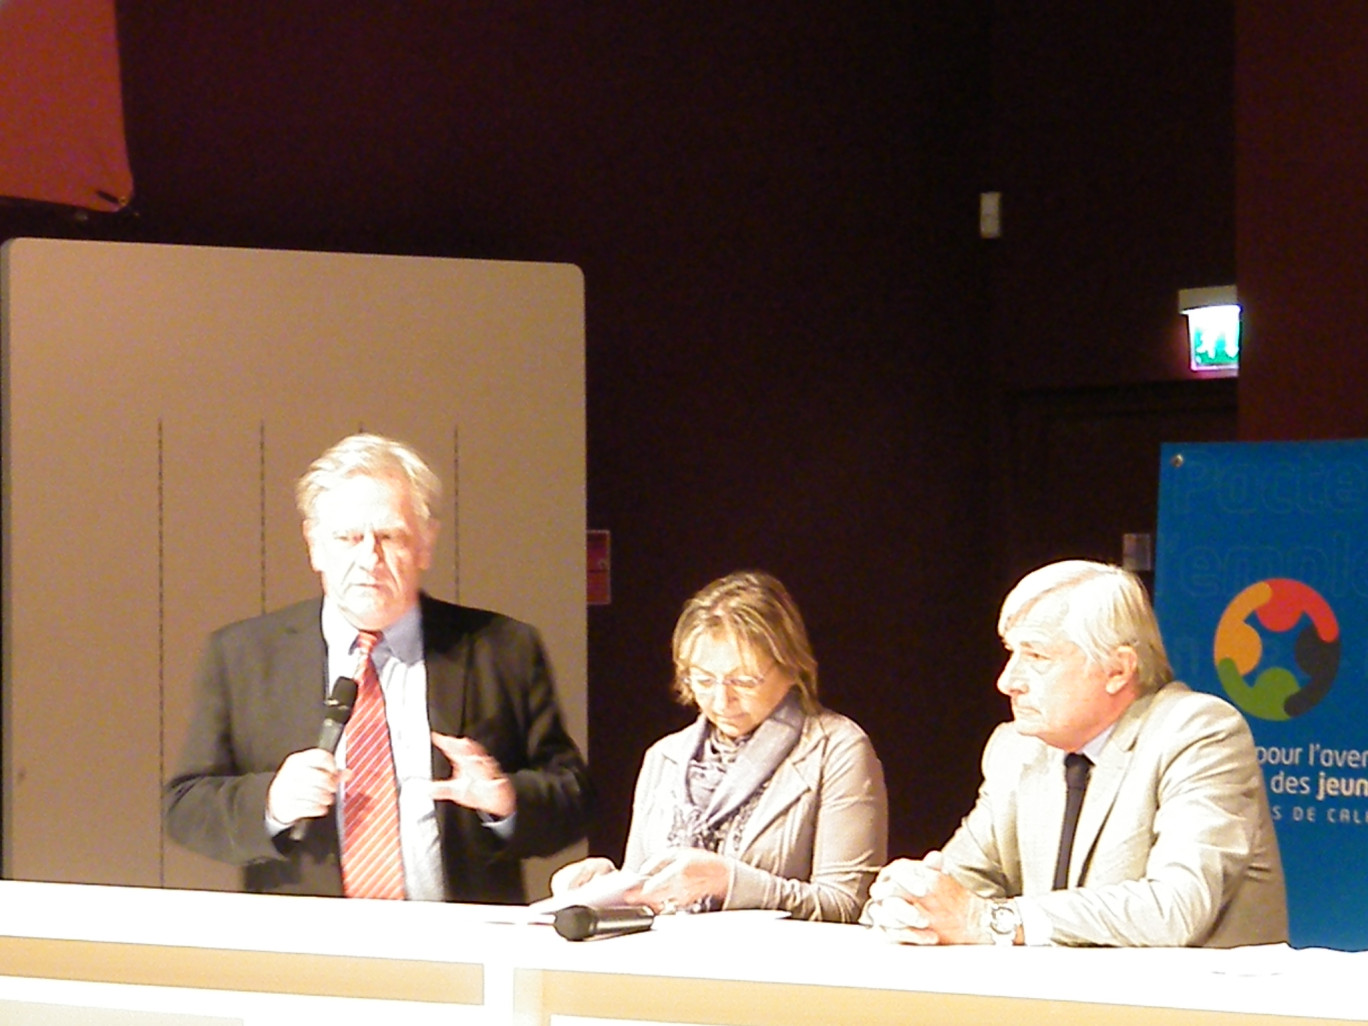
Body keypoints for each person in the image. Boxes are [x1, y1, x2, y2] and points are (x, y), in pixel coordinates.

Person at [164, 433, 590, 902]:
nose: (369, 559)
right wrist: (271, 803)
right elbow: (186, 807)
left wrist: (505, 799)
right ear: (314, 545)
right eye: (347, 538)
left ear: (426, 544)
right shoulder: (244, 655)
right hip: (304, 950)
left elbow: (573, 800)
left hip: (462, 948)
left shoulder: (501, 649)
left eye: (390, 537)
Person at [863, 559, 1287, 947]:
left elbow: (1176, 907)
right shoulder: (1016, 749)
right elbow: (963, 886)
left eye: (1036, 656)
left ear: (1118, 670)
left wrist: (995, 921)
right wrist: (912, 901)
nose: (1008, 681)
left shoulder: (1197, 732)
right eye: (1012, 654)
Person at [550, 570, 887, 922]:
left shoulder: (836, 749)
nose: (722, 699)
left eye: (744, 681)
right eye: (704, 679)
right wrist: (605, 886)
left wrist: (730, 882)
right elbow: (646, 898)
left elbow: (847, 905)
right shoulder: (665, 757)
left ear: (792, 669)